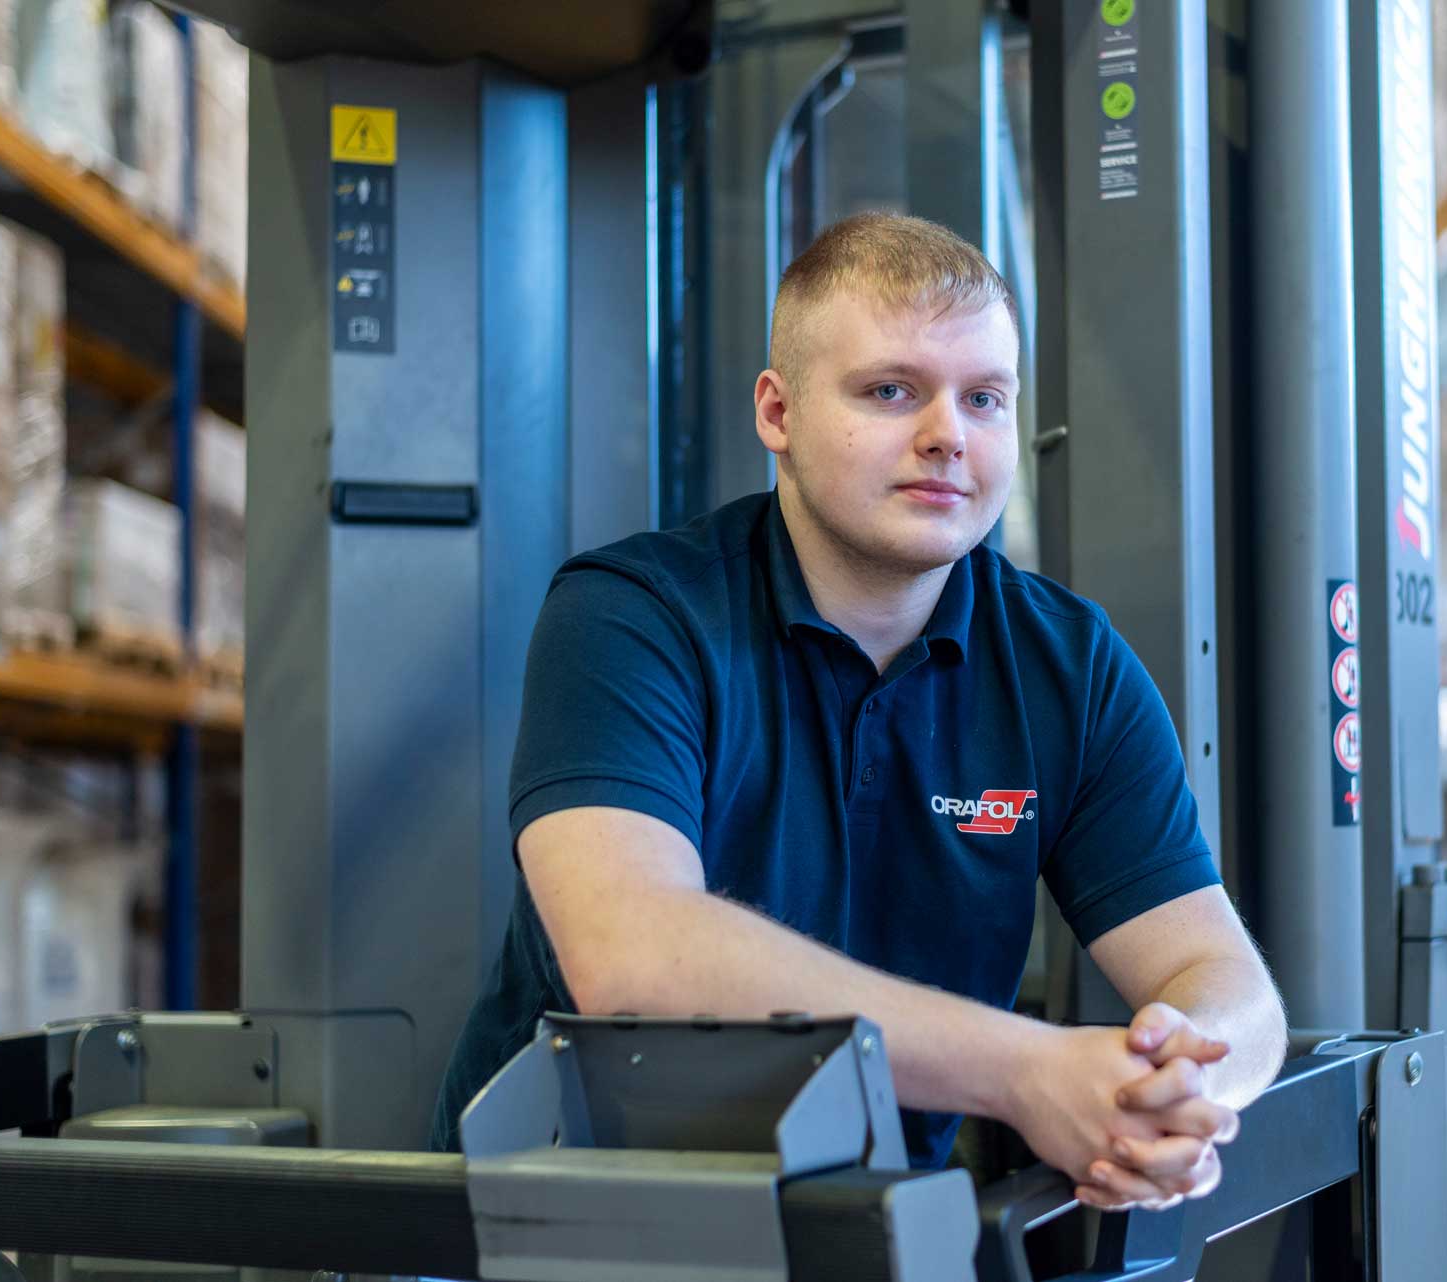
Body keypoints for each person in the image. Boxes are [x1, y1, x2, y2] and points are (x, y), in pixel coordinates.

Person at [433, 212, 1285, 1212]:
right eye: (891, 391)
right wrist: (1029, 1070)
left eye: (984, 398)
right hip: (566, 1221)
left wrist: (1178, 1087)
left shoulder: (1072, 666)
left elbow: (1220, 976)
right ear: (778, 412)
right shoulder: (634, 616)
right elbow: (636, 953)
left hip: (865, 1223)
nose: (946, 436)